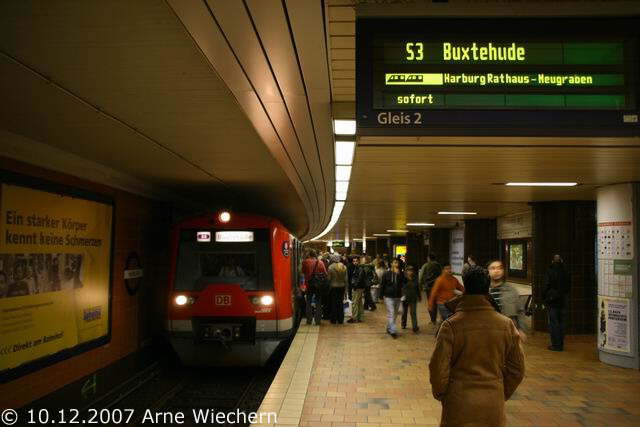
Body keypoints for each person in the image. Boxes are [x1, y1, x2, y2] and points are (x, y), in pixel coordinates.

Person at [429, 265, 525, 427]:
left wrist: (443, 394)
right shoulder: (506, 325)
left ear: (465, 287)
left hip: (458, 403)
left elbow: (438, 367)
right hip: (492, 403)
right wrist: (500, 391)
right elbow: (517, 369)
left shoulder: (451, 325)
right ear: (487, 288)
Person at [487, 260, 528, 341]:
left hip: (508, 333)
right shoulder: (483, 291)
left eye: (499, 268)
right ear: (488, 271)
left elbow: (520, 311)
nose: (496, 271)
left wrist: (521, 329)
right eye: (493, 268)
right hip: (489, 333)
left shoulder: (511, 291)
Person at [544, 254, 571, 351]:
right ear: (561, 261)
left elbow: (546, 286)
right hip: (563, 300)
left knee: (553, 323)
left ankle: (555, 345)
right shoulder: (566, 271)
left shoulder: (549, 271)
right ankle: (561, 344)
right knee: (562, 323)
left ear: (552, 261)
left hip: (552, 301)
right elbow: (568, 287)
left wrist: (545, 298)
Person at [379, 259, 405, 338]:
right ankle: (393, 331)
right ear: (391, 264)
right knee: (391, 312)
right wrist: (381, 297)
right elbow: (382, 285)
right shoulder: (386, 274)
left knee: (395, 314)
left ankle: (389, 327)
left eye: (397, 263)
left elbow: (403, 284)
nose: (397, 264)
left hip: (397, 296)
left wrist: (399, 274)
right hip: (388, 296)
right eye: (395, 262)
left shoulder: (401, 273)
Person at [301, 250, 327, 325]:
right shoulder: (320, 262)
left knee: (308, 302)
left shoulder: (305, 262)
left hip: (309, 284)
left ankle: (309, 320)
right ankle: (317, 320)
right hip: (318, 285)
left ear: (309, 254)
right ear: (315, 255)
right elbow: (325, 273)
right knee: (318, 302)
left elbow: (302, 271)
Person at [420, 253, 442, 324]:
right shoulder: (438, 265)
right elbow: (441, 274)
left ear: (428, 258)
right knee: (437, 302)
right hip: (437, 286)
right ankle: (439, 318)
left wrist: (420, 286)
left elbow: (421, 277)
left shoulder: (426, 265)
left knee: (431, 302)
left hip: (429, 287)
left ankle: (433, 320)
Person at [328, 254, 347, 324]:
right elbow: (346, 279)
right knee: (340, 303)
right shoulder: (344, 267)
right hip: (342, 287)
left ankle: (333, 319)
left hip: (333, 287)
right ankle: (340, 319)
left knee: (334, 303)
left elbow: (329, 279)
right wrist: (346, 290)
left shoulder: (330, 267)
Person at [401, 266, 421, 332]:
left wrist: (419, 296)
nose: (410, 272)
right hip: (405, 297)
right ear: (406, 271)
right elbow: (401, 288)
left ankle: (415, 327)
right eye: (409, 271)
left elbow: (417, 288)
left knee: (413, 312)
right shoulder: (403, 278)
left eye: (411, 271)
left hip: (413, 297)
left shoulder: (415, 278)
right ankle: (403, 324)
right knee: (404, 312)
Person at [348, 257, 366, 323]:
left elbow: (359, 279)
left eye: (356, 261)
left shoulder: (359, 269)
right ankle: (360, 317)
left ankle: (354, 318)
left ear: (358, 261)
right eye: (354, 261)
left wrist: (354, 286)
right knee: (359, 302)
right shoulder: (359, 268)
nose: (355, 262)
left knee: (355, 302)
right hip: (361, 287)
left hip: (357, 288)